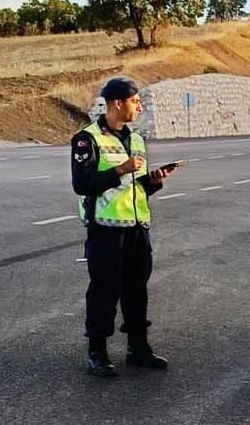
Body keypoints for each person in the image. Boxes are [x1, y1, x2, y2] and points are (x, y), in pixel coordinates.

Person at [72, 77, 179, 377]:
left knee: (136, 290)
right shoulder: (87, 139)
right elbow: (82, 185)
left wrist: (154, 180)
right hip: (105, 228)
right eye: (135, 101)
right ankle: (97, 353)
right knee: (104, 290)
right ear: (118, 103)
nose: (139, 106)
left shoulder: (137, 140)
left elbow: (137, 186)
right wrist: (121, 169)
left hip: (136, 227)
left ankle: (138, 348)